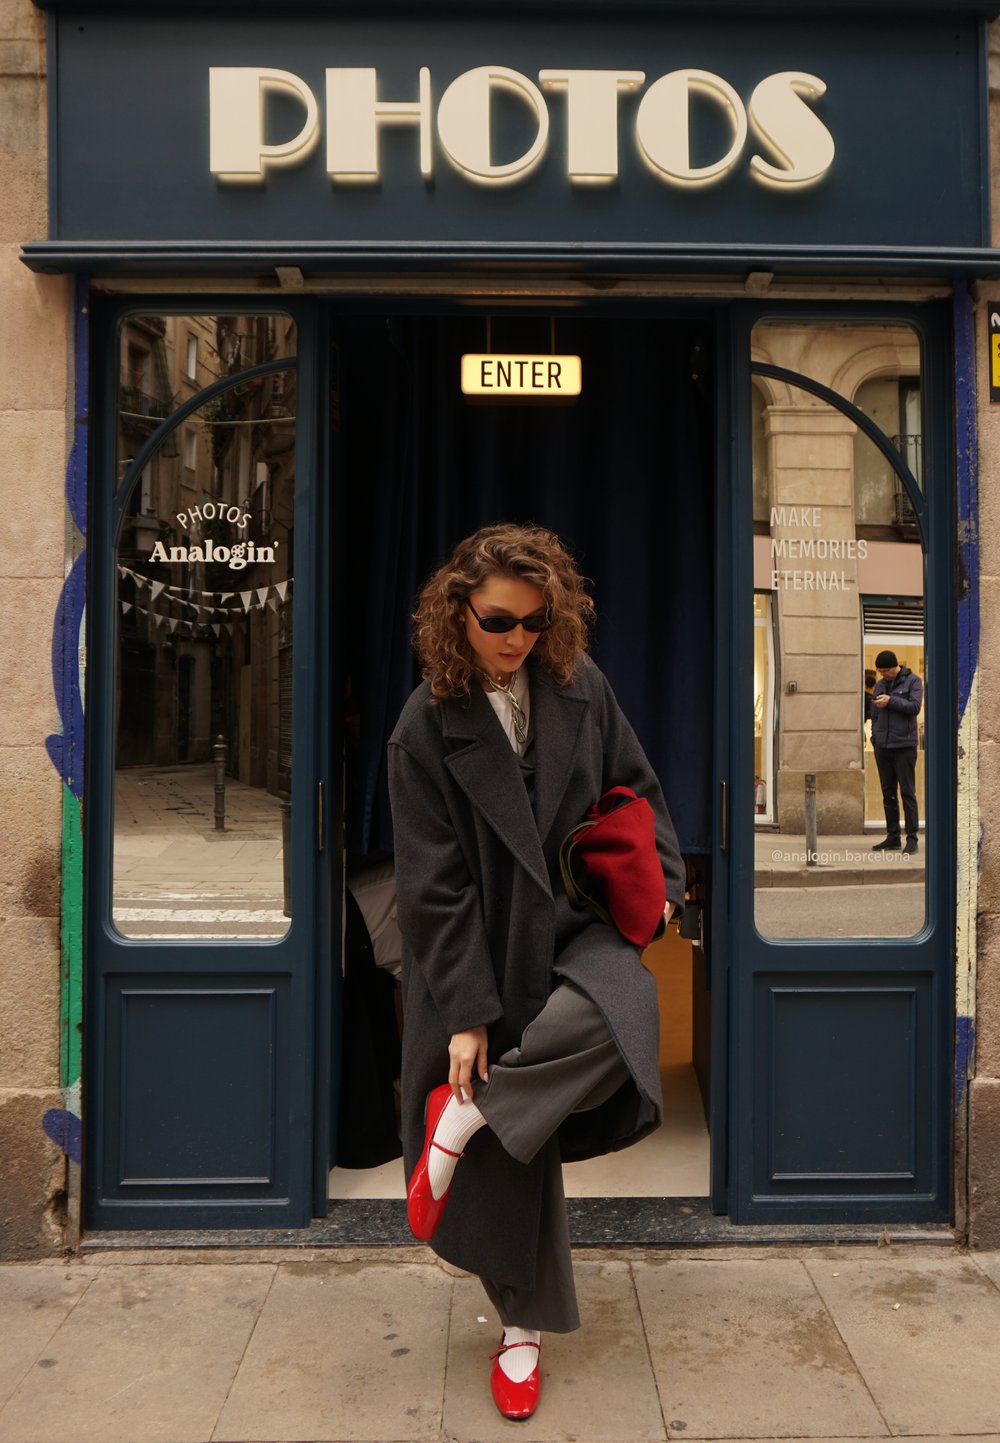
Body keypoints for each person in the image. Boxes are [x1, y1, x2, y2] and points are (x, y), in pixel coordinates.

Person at [387, 523, 684, 1421]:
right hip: (482, 948)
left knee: (621, 1010)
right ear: (457, 615)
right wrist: (469, 1015)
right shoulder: (423, 727)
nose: (518, 637)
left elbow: (640, 787)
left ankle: (469, 1114)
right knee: (524, 1142)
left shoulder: (578, 686)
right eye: (498, 620)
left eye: (535, 618)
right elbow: (431, 888)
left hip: (576, 922)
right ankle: (523, 1334)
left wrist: (662, 885)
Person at [870, 648, 923, 854]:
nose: (882, 675)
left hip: (904, 747)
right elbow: (874, 713)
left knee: (907, 793)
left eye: (885, 671)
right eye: (880, 671)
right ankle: (893, 837)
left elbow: (915, 707)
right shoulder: (881, 684)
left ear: (895, 667)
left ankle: (912, 839)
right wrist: (875, 737)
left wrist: (891, 701)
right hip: (883, 747)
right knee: (887, 793)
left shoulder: (913, 681)